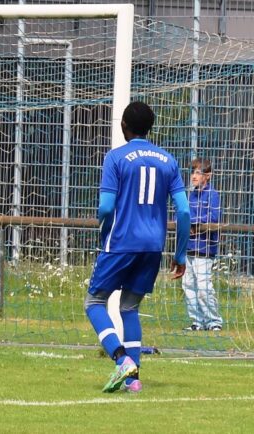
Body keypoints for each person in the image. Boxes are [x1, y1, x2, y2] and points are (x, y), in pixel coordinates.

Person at [84, 101, 190, 393]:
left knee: (94, 303)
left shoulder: (116, 157)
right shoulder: (168, 160)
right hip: (153, 247)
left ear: (123, 126)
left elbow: (106, 207)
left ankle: (121, 359)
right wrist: (180, 254)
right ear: (150, 127)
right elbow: (183, 211)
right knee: (129, 307)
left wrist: (105, 232)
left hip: (121, 242)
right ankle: (133, 380)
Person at [182, 157, 223, 332]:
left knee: (204, 287)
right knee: (188, 286)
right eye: (193, 172)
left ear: (208, 175)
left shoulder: (212, 195)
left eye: (198, 173)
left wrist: (194, 222)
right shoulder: (191, 195)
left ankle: (214, 321)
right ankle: (197, 321)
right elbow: (184, 215)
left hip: (205, 249)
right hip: (189, 247)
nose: (194, 176)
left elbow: (213, 218)